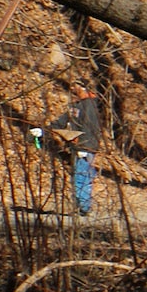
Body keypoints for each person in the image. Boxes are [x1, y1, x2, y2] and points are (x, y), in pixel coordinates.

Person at [52, 85, 101, 215]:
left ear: (85, 89)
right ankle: (79, 205)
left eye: (76, 88)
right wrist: (46, 129)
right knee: (78, 175)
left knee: (82, 175)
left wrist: (83, 145)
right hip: (77, 147)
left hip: (85, 147)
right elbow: (62, 120)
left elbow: (90, 128)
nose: (73, 90)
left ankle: (84, 207)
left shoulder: (90, 106)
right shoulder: (77, 106)